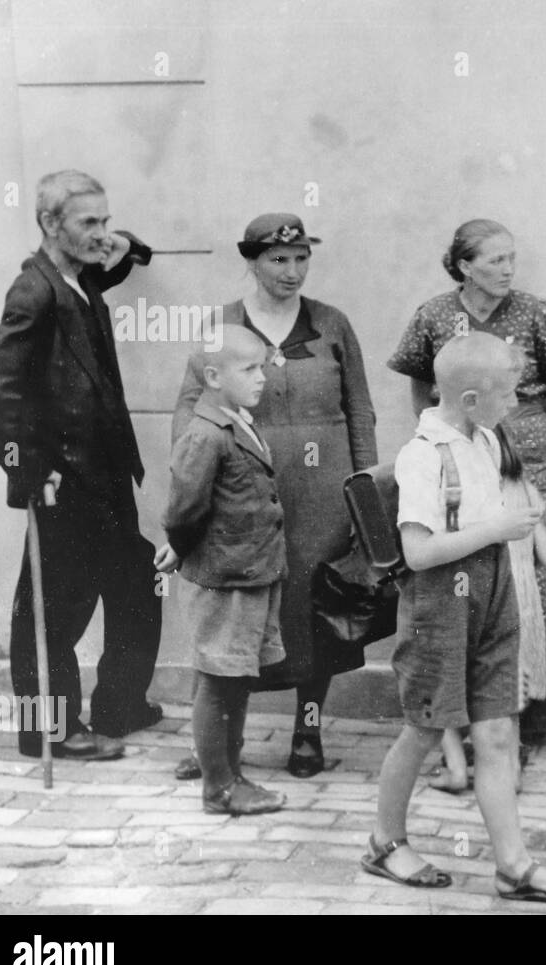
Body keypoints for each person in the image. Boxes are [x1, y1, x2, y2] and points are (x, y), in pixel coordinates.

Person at [364, 333, 546, 903]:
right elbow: (417, 553)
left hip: (494, 595)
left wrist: (517, 518)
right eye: (509, 394)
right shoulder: (423, 456)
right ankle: (384, 842)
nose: (516, 403)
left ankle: (512, 866)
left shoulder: (486, 438)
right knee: (423, 729)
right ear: (468, 399)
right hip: (439, 607)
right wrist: (498, 528)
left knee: (496, 732)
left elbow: (501, 517)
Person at [171, 213, 377, 780]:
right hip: (245, 490)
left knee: (314, 616)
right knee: (232, 613)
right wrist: (192, 487)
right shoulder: (224, 326)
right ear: (253, 262)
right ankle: (212, 745)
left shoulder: (332, 324)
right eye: (278, 260)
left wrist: (366, 497)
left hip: (322, 497)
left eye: (301, 258)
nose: (292, 271)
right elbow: (192, 408)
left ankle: (307, 732)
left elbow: (359, 411)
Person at [0, 169, 161, 760]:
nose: (102, 232)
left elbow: (125, 255)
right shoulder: (36, 291)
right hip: (65, 482)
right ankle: (48, 730)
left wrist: (116, 241)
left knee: (137, 579)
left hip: (104, 475)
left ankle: (119, 705)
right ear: (50, 225)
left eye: (105, 219)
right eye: (89, 223)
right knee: (54, 611)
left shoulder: (77, 276)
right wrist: (28, 469)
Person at [388, 219, 546, 736]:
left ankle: (536, 706)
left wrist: (540, 440)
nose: (507, 269)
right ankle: (477, 713)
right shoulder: (433, 315)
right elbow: (421, 392)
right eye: (495, 259)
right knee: (478, 569)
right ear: (464, 266)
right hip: (466, 449)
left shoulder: (535, 311)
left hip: (529, 454)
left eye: (511, 258)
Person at [155, 327, 287, 815]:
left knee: (236, 678)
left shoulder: (238, 422)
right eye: (248, 369)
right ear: (212, 376)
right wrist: (179, 545)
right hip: (227, 579)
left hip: (253, 574)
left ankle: (233, 774)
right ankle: (218, 788)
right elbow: (184, 509)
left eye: (262, 367)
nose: (261, 378)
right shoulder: (205, 433)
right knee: (217, 679)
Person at [431, 423, 546, 793]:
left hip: (481, 601)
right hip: (523, 610)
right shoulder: (524, 491)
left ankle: (455, 767)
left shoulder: (467, 494)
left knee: (447, 689)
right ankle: (510, 773)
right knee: (507, 698)